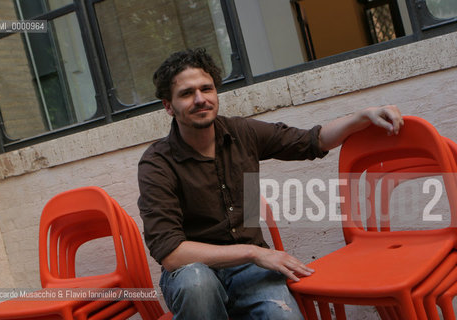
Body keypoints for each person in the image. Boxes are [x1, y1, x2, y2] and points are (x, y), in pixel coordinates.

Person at [137, 48, 403, 320]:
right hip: (193, 273)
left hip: (250, 272)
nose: (200, 99)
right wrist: (255, 253)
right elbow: (170, 253)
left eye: (207, 89)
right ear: (168, 106)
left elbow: (313, 140)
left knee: (283, 316)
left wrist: (363, 116)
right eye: (186, 93)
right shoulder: (156, 163)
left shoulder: (242, 133)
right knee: (197, 282)